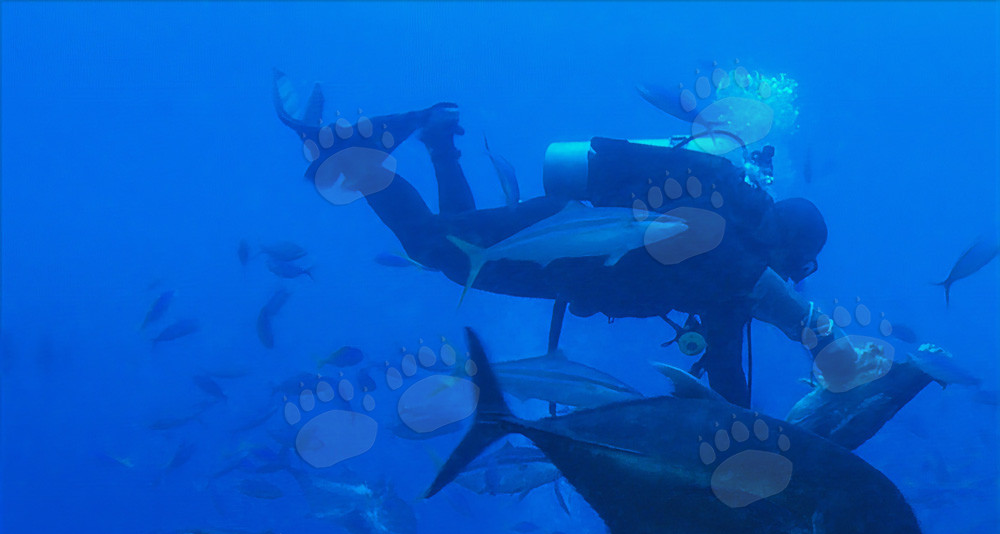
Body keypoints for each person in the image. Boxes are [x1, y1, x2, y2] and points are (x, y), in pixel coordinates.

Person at [273, 73, 866, 406]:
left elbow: (726, 365)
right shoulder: (734, 254)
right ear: (789, 244)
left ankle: (438, 137)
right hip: (572, 236)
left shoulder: (730, 284)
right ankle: (357, 159)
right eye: (800, 264)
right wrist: (829, 348)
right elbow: (774, 300)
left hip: (570, 263)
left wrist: (743, 429)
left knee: (460, 253)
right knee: (432, 247)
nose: (792, 274)